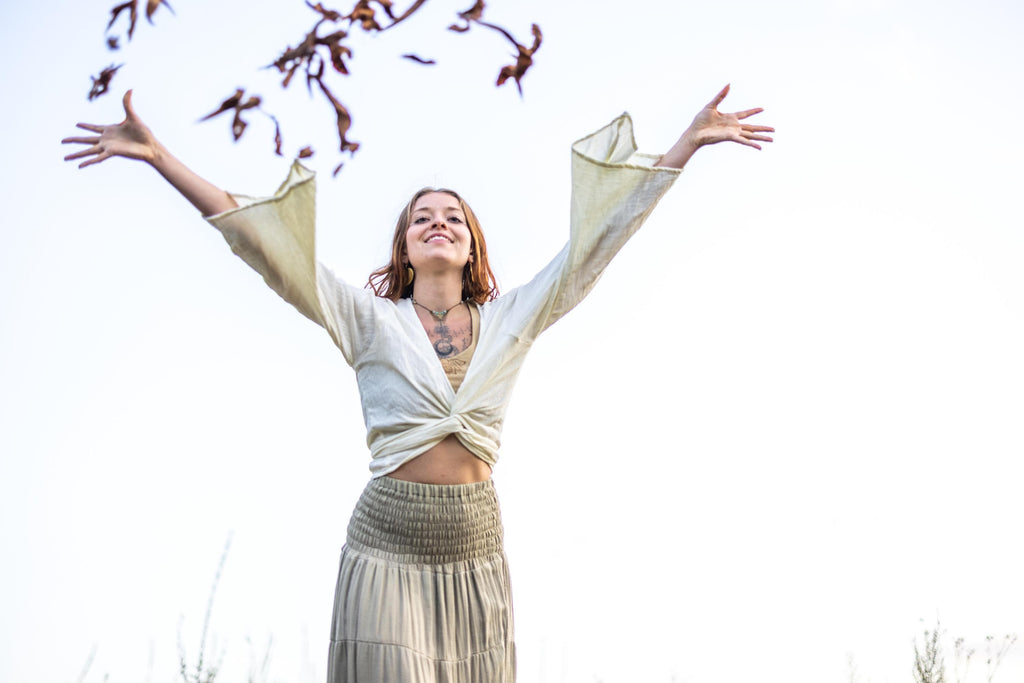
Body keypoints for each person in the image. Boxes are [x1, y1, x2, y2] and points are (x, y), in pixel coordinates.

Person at [62, 84, 773, 683]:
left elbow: (599, 241)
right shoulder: (366, 317)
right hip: (387, 545)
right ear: (404, 245)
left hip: (475, 549)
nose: (439, 223)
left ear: (471, 246)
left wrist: (686, 144)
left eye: (453, 216)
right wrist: (159, 158)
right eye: (422, 218)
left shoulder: (514, 317)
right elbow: (265, 244)